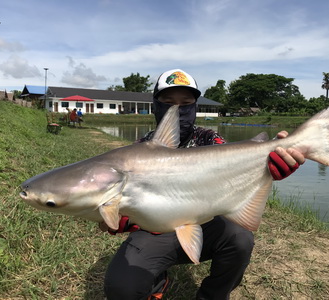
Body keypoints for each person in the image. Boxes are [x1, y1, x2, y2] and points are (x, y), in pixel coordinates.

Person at [102, 69, 305, 300]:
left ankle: (213, 296)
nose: (177, 109)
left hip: (205, 223)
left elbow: (236, 165)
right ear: (156, 105)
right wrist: (125, 217)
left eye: (186, 103)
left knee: (240, 238)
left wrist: (268, 165)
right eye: (168, 102)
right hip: (155, 231)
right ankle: (157, 282)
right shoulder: (141, 148)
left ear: (195, 106)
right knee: (121, 289)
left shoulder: (210, 140)